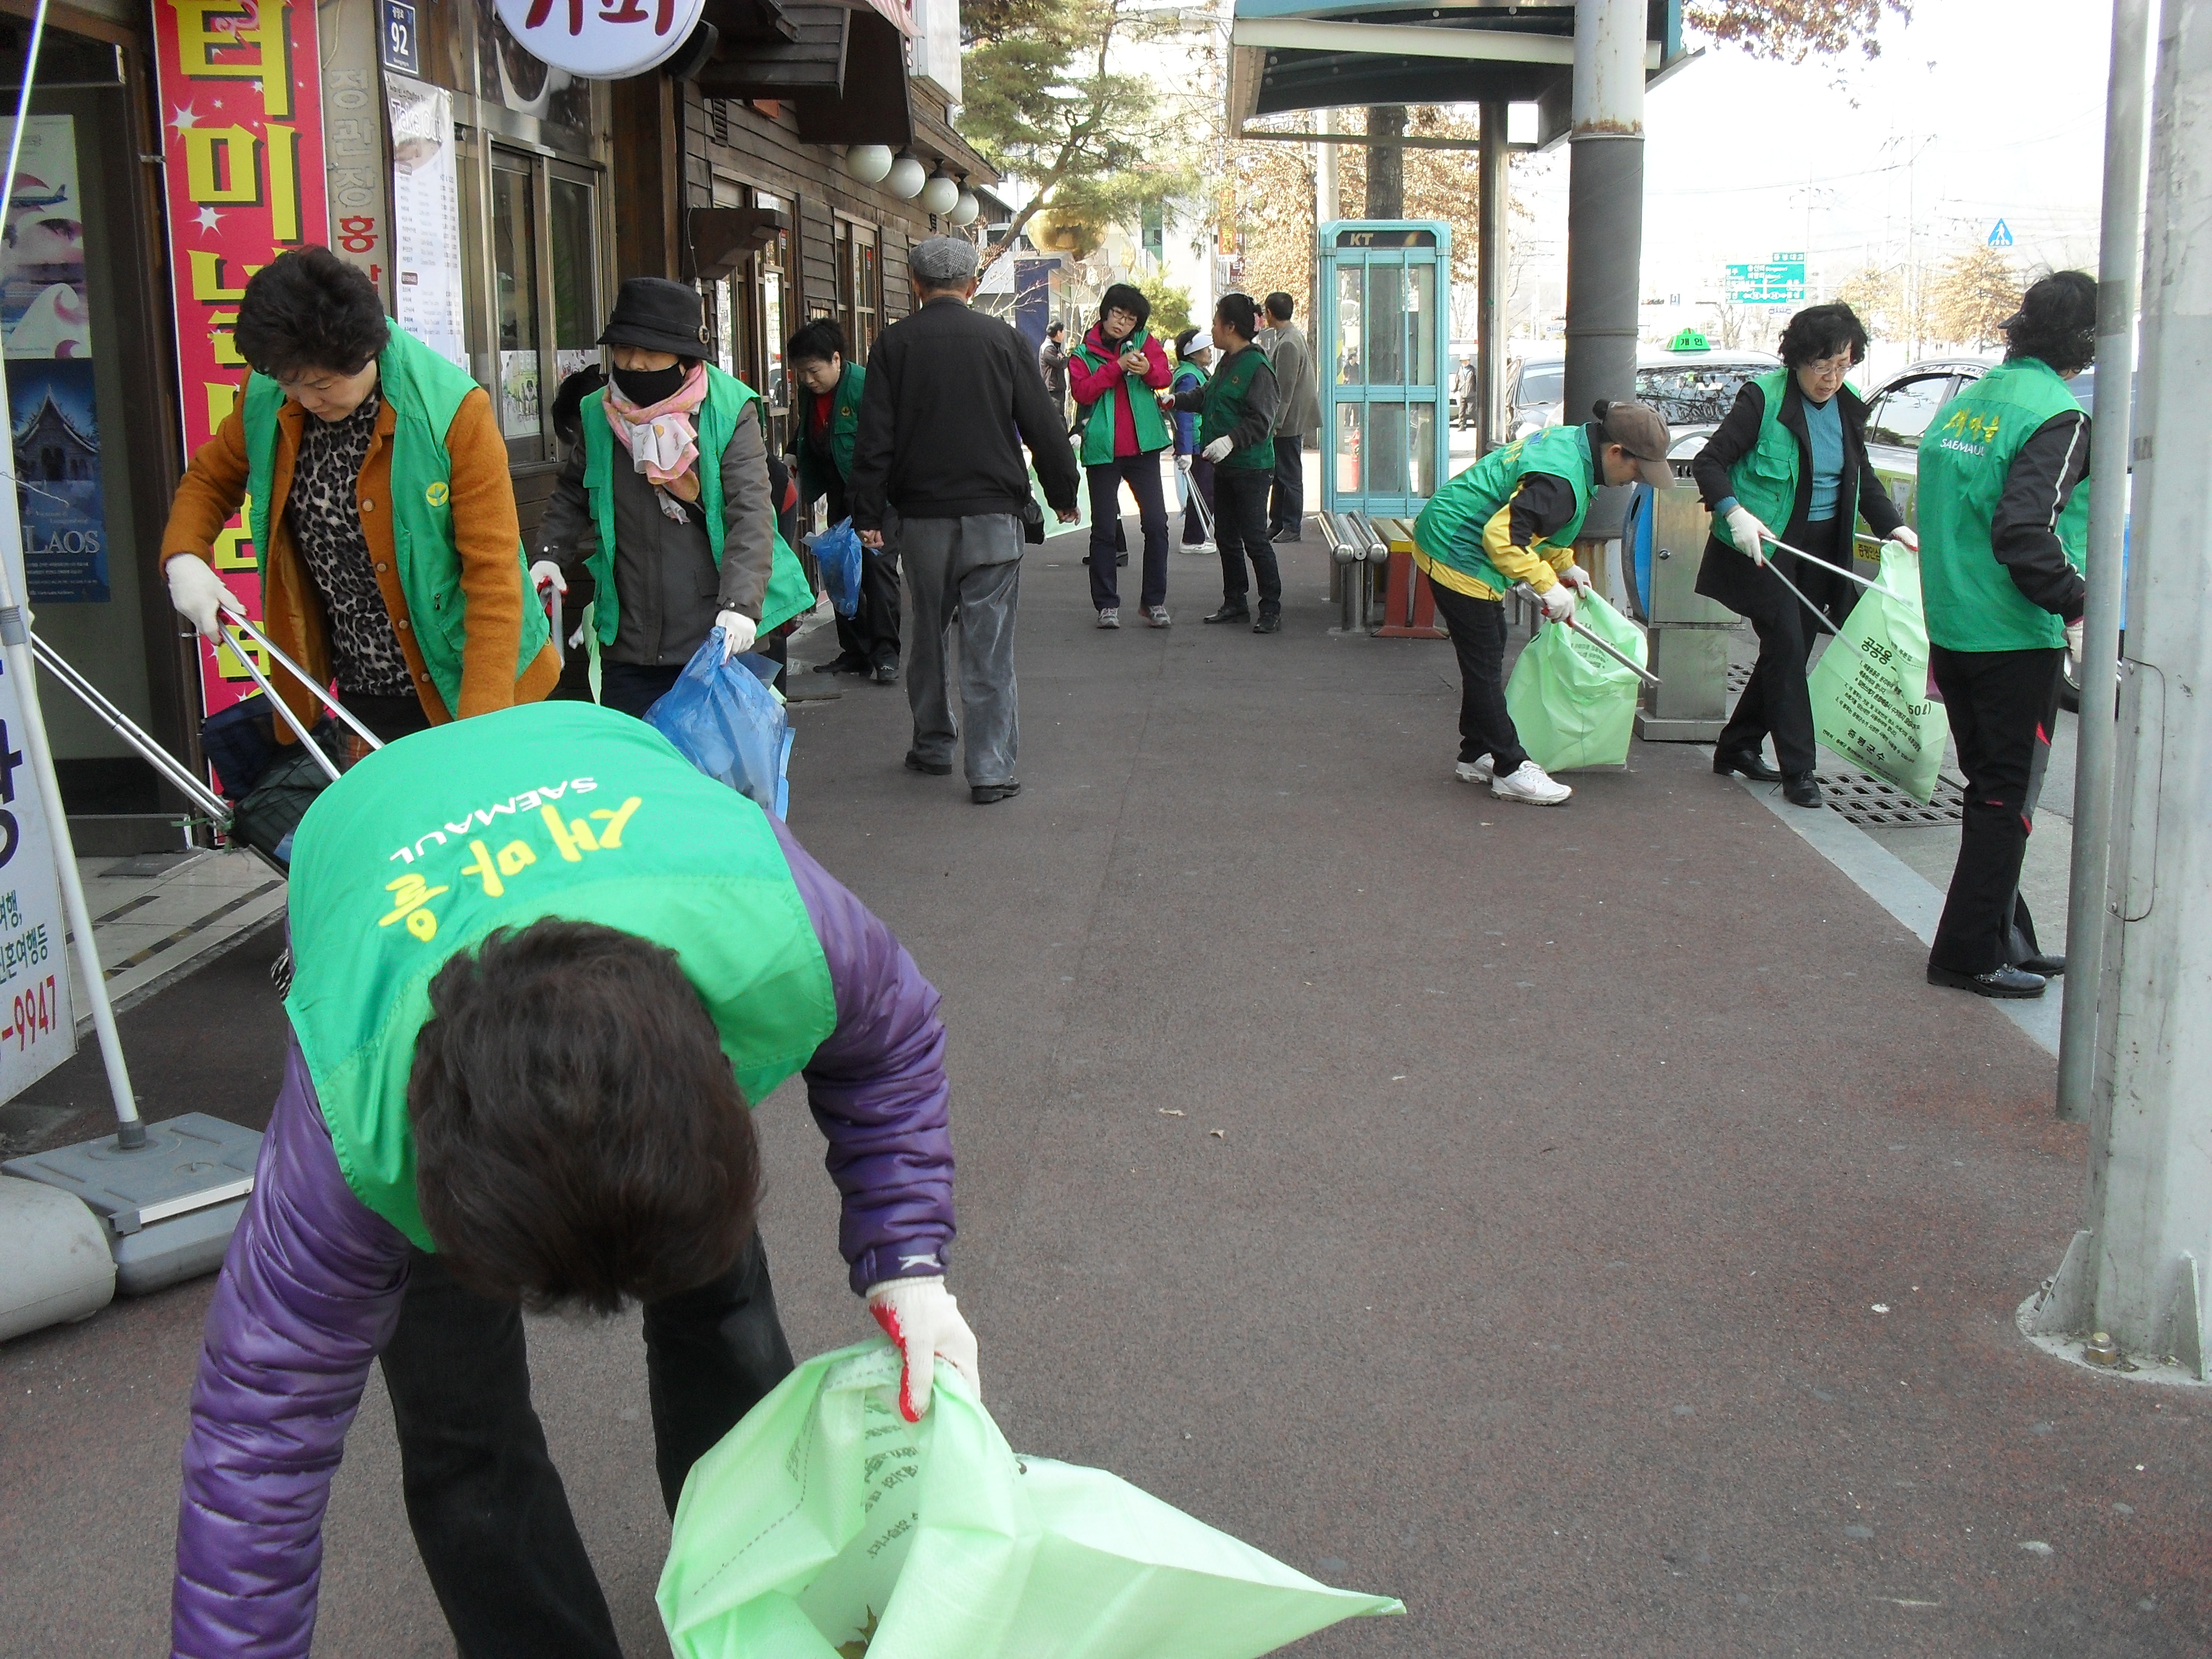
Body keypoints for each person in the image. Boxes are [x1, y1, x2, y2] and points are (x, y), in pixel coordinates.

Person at [167, 700, 976, 1659]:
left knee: (720, 1309)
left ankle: (756, 1596)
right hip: (373, 838)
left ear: (713, 1062)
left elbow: (892, 1041)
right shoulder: (351, 1133)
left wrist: (908, 1259)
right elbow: (258, 1447)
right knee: (461, 1426)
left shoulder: (774, 925)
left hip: (600, 776)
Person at [160, 247, 556, 746]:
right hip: (365, 688)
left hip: (474, 681)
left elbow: (494, 575)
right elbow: (211, 478)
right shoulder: (269, 394)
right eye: (290, 385)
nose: (306, 399)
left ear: (363, 353)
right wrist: (184, 558)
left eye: (322, 384)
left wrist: (480, 732)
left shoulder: (452, 412)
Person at [846, 235, 1081, 805]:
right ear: (973, 286)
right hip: (994, 518)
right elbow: (1043, 424)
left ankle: (932, 745)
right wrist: (1063, 490)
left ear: (916, 285)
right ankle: (991, 769)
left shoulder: (894, 344)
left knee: (926, 634)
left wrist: (868, 510)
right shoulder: (1003, 340)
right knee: (989, 646)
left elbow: (874, 435)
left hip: (922, 521)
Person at [1915, 272, 2094, 1000]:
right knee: (2004, 800)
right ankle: (1966, 954)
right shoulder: (2058, 414)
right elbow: (2025, 529)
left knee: (1992, 791)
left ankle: (2004, 935)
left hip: (1955, 626)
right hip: (2015, 634)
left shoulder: (1969, 402)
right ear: (2086, 343)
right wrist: (2078, 606)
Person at [535, 278, 813, 720]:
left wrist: (740, 608)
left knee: (716, 779)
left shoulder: (728, 409)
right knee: (639, 778)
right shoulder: (597, 412)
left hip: (714, 639)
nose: (634, 364)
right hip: (627, 638)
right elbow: (572, 491)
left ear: (684, 358)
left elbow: (750, 514)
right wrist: (550, 553)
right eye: (624, 350)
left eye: (650, 352)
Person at [1691, 301, 1912, 808]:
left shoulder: (1849, 405)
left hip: (1820, 548)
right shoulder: (1763, 399)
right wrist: (1733, 512)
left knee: (1783, 652)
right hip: (1764, 546)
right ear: (1797, 359)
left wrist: (1895, 528)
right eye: (1822, 365)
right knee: (1789, 648)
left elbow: (1865, 479)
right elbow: (1710, 462)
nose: (1832, 378)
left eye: (1843, 365)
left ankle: (1737, 746)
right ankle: (1801, 771)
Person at [1409, 400, 1675, 806]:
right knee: (1483, 662)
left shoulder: (1575, 445)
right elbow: (1503, 539)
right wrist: (1546, 584)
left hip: (1454, 532)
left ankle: (1475, 752)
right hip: (1458, 549)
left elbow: (1535, 524)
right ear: (1615, 452)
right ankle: (1510, 767)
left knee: (1489, 649)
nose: (1632, 482)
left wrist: (1563, 565)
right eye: (1637, 470)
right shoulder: (1563, 481)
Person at [788, 317, 900, 683]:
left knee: (877, 570)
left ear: (837, 359)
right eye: (801, 373)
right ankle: (854, 651)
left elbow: (890, 441)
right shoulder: (810, 393)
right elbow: (808, 431)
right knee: (839, 568)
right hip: (838, 489)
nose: (808, 379)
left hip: (877, 492)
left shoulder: (866, 386)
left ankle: (885, 655)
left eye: (814, 370)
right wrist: (793, 453)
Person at [1168, 292, 1281, 633]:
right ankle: (1235, 601)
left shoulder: (1257, 366)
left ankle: (1271, 608)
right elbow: (1207, 397)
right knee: (1227, 537)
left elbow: (1263, 420)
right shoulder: (1226, 363)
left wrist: (1230, 440)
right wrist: (1176, 400)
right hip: (1226, 467)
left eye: (1216, 323)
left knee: (1255, 539)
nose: (1213, 330)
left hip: (1252, 467)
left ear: (1231, 327)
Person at [1067, 283, 1175, 629]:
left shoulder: (1146, 343)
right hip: (1102, 450)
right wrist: (1116, 367)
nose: (1122, 323)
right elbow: (1082, 391)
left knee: (1157, 524)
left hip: (1143, 449)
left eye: (1130, 319)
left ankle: (1154, 601)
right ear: (1106, 311)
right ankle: (1106, 605)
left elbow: (1164, 377)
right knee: (1103, 530)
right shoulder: (1082, 353)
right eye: (1118, 314)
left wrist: (1146, 370)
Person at [1261, 292, 1320, 543]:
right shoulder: (1291, 336)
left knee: (1289, 474)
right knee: (1282, 474)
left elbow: (1284, 390)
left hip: (1289, 419)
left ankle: (1291, 526)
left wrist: (1277, 423)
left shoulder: (1287, 343)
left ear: (1270, 313)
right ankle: (1278, 523)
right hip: (1293, 417)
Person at [1170, 326, 1215, 552]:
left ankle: (1196, 537)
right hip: (1197, 442)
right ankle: (1193, 539)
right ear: (1193, 352)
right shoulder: (1189, 376)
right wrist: (1185, 449)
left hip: (1199, 440)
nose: (1209, 352)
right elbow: (1184, 414)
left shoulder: (1193, 373)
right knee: (1203, 492)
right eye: (1205, 349)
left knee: (1206, 491)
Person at [1039, 319, 1070, 430]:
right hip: (1052, 389)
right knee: (1058, 418)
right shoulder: (1048, 348)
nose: (1064, 334)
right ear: (1058, 333)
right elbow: (1061, 363)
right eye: (1063, 331)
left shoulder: (1055, 346)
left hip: (1057, 388)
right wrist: (1066, 359)